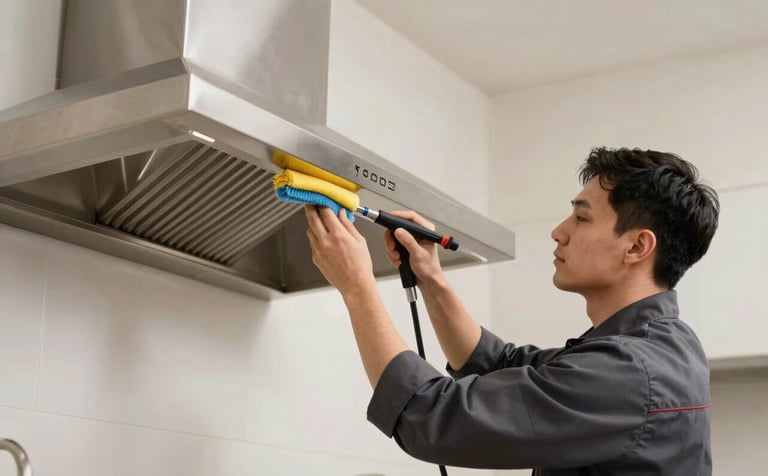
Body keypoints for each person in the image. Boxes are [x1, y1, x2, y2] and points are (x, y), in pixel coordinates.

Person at [304, 147, 719, 475]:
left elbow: (430, 417)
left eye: (581, 217)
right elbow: (498, 365)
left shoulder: (630, 373)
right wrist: (431, 277)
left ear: (637, 247)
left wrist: (357, 287)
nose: (559, 231)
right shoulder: (661, 347)